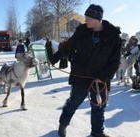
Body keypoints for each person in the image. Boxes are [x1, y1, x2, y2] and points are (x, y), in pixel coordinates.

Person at [49, 4, 122, 137]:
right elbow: (67, 47)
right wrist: (54, 58)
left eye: (88, 18)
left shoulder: (113, 36)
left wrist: (104, 77)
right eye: (86, 17)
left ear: (97, 19)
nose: (86, 20)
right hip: (81, 76)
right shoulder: (81, 32)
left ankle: (97, 131)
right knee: (73, 103)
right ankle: (63, 125)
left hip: (100, 79)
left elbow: (115, 61)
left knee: (98, 107)